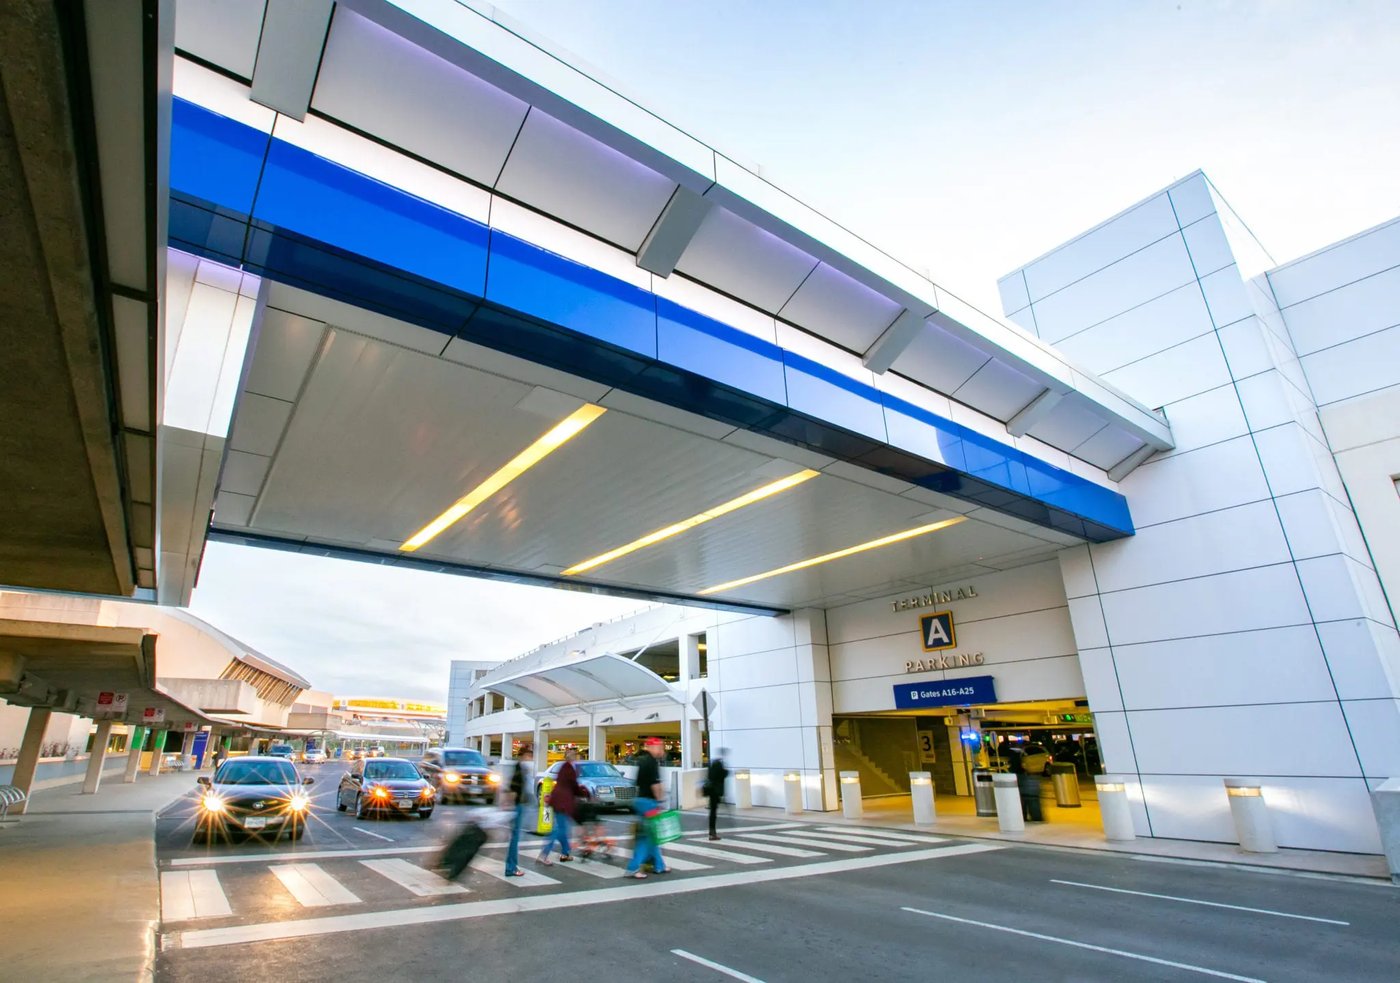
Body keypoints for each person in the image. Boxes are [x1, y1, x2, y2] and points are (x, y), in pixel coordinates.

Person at [624, 736, 669, 879]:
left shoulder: (642, 761)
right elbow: (655, 785)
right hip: (648, 803)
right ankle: (633, 867)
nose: (662, 750)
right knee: (646, 837)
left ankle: (659, 865)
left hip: (640, 801)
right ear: (651, 747)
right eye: (659, 747)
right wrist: (660, 801)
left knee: (651, 836)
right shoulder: (651, 762)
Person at [538, 748, 586, 865]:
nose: (575, 757)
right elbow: (573, 786)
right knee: (560, 830)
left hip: (558, 800)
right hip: (563, 802)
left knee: (562, 829)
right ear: (571, 757)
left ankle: (566, 853)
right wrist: (585, 793)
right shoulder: (569, 768)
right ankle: (544, 854)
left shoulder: (565, 767)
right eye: (574, 755)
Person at [502, 746, 534, 878]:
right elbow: (513, 788)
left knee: (515, 837)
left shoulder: (521, 768)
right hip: (518, 806)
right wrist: (510, 805)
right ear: (524, 755)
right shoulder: (519, 769)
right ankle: (511, 867)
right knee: (515, 838)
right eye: (529, 755)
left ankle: (511, 867)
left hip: (519, 806)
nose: (530, 758)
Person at [705, 748, 730, 841]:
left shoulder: (713, 764)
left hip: (712, 791)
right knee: (713, 813)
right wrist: (725, 772)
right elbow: (720, 776)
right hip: (714, 792)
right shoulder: (718, 764)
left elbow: (710, 776)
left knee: (713, 812)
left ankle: (712, 832)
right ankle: (712, 833)